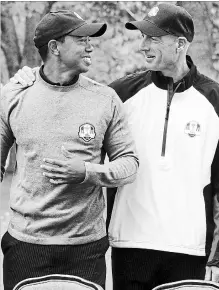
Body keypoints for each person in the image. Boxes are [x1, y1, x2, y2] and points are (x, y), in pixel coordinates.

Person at [10, 3, 219, 290]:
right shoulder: (121, 93)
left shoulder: (214, 101)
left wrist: (216, 257)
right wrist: (32, 75)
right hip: (128, 244)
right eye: (142, 37)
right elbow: (67, 89)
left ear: (181, 44)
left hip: (190, 248)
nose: (142, 46)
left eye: (153, 38)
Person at [0, 10, 139, 290]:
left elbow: (130, 164)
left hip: (85, 248)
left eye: (91, 39)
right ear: (55, 47)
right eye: (81, 39)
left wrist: (88, 172)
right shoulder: (14, 95)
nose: (90, 45)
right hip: (26, 246)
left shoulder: (105, 99)